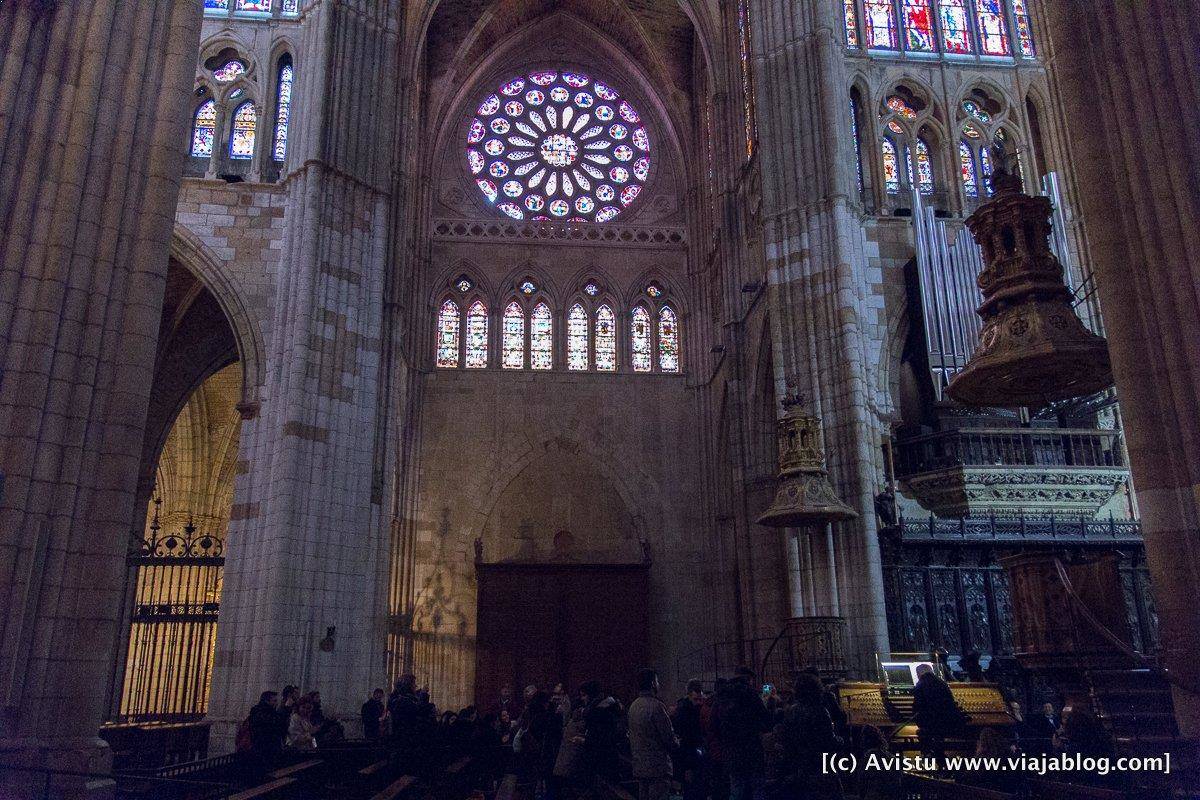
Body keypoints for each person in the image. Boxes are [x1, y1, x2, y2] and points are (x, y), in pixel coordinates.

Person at [777, 674, 842, 799]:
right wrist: (840, 741)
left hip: (798, 764)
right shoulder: (820, 711)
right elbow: (827, 740)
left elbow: (786, 737)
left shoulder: (791, 711)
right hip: (818, 764)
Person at [714, 668, 771, 800]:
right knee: (757, 789)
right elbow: (766, 721)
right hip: (752, 749)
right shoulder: (751, 694)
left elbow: (714, 724)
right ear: (749, 679)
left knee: (737, 789)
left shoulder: (723, 695)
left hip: (732, 750)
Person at [628, 669, 678, 800]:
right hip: (657, 767)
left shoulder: (633, 706)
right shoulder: (656, 706)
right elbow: (668, 737)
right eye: (657, 681)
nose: (658, 684)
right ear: (652, 683)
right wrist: (678, 743)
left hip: (640, 765)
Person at [912, 663, 966, 768]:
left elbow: (917, 709)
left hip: (934, 725)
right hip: (950, 723)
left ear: (918, 674)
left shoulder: (920, 685)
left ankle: (930, 761)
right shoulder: (942, 683)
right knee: (935, 737)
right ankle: (942, 763)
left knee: (922, 733)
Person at [580, 680, 623, 785]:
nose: (582, 698)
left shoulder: (599, 712)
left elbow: (601, 736)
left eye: (584, 695)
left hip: (602, 756)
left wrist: (586, 740)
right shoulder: (603, 708)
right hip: (603, 754)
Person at [673, 679, 707, 800]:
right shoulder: (685, 713)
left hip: (695, 754)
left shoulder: (684, 709)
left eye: (700, 699)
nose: (698, 703)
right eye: (696, 699)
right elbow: (687, 738)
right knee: (693, 789)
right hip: (691, 756)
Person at [247, 691, 283, 776]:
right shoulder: (259, 712)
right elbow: (269, 727)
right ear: (267, 701)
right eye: (274, 701)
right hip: (262, 749)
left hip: (271, 749)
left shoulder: (272, 712)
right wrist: (284, 709)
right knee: (262, 774)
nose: (276, 703)